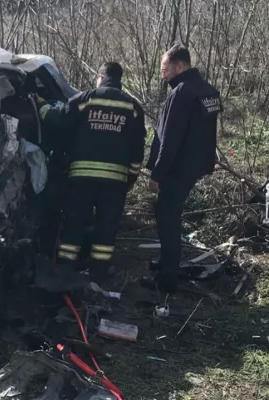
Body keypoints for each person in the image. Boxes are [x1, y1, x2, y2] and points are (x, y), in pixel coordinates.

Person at [38, 62, 146, 285]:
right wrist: (131, 177)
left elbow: (59, 120)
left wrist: (41, 106)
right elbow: (138, 148)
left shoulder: (86, 98)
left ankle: (66, 273)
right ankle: (98, 276)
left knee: (74, 226)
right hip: (115, 183)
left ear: (100, 76)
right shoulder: (132, 107)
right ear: (120, 79)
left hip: (81, 179)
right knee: (106, 231)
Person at [142, 44, 222, 294]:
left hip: (177, 168)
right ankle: (168, 264)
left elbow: (170, 138)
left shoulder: (182, 93)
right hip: (195, 166)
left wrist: (157, 174)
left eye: (165, 69)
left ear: (179, 66)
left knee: (167, 218)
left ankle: (167, 279)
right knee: (170, 216)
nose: (163, 75)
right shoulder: (208, 91)